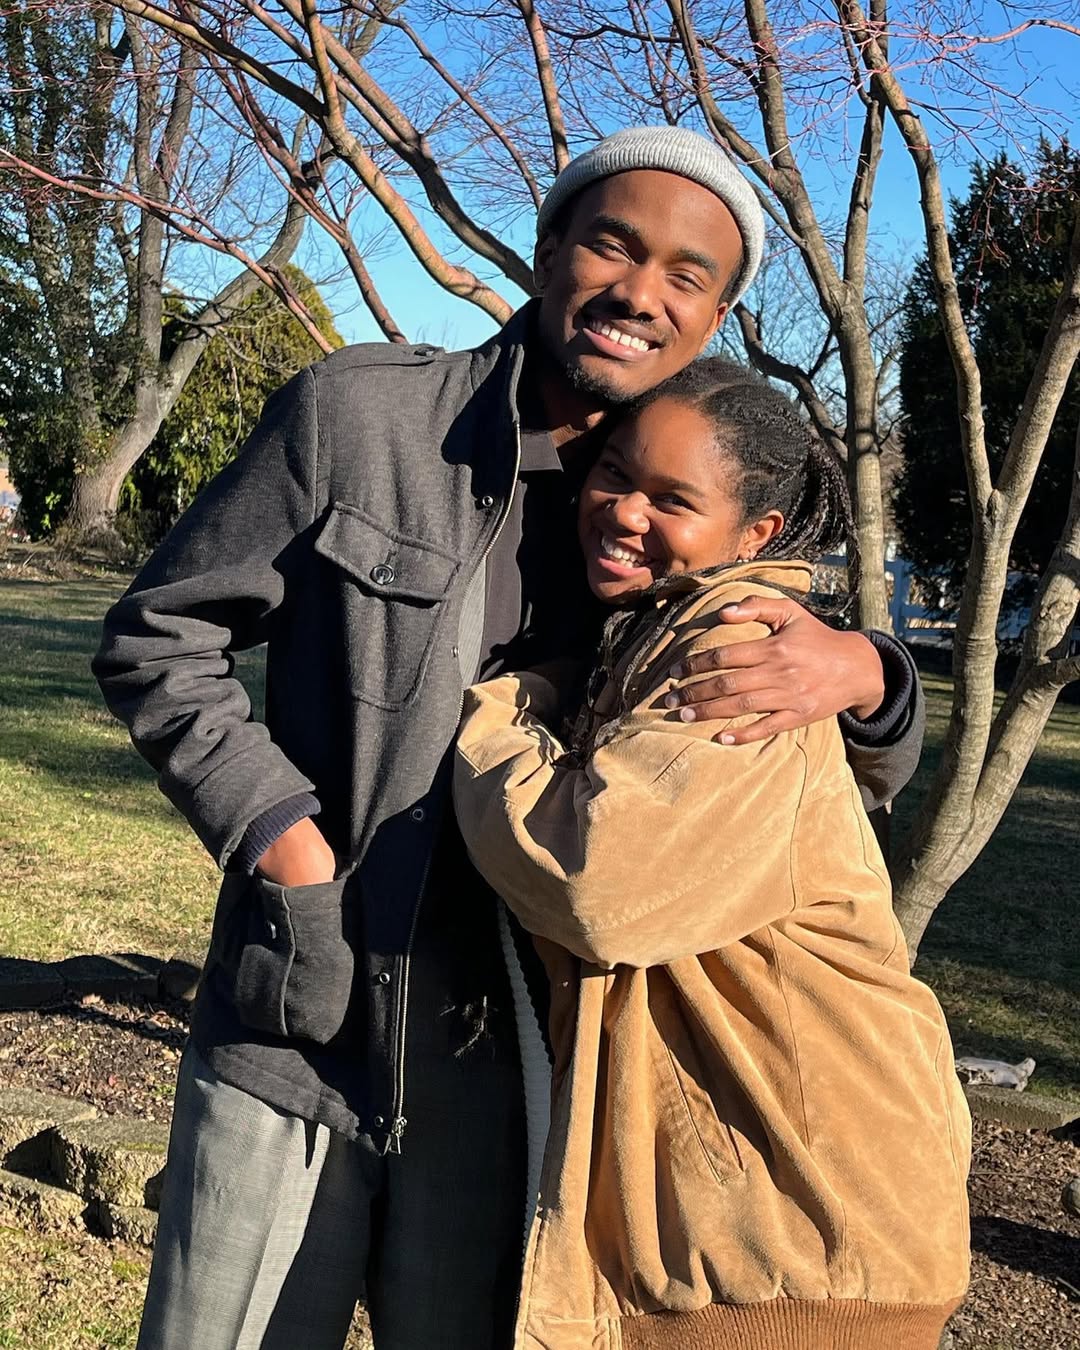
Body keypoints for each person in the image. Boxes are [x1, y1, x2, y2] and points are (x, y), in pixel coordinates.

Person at [94, 127, 927, 1350]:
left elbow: (823, 760)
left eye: (687, 276)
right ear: (547, 251)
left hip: (526, 1076)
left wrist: (874, 672)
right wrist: (283, 842)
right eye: (612, 245)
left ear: (717, 315)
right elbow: (159, 636)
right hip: (298, 1018)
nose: (640, 293)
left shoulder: (703, 506)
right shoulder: (362, 419)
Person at [453, 362, 971, 1350]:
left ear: (756, 535)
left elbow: (596, 887)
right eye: (615, 473)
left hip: (797, 1239)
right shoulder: (660, 632)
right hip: (768, 1230)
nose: (624, 510)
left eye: (673, 500)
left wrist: (504, 708)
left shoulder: (744, 656)